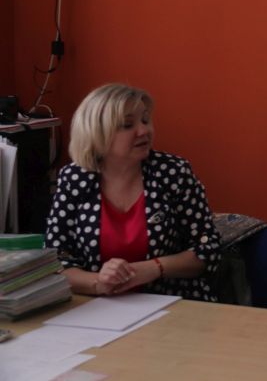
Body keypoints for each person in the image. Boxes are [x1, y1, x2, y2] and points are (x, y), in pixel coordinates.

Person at [45, 83, 221, 301]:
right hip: (98, 307)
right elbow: (55, 261)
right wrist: (99, 283)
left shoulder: (173, 172)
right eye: (127, 125)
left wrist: (153, 268)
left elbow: (207, 249)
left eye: (145, 120)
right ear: (97, 133)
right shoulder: (74, 178)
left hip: (173, 302)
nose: (144, 131)